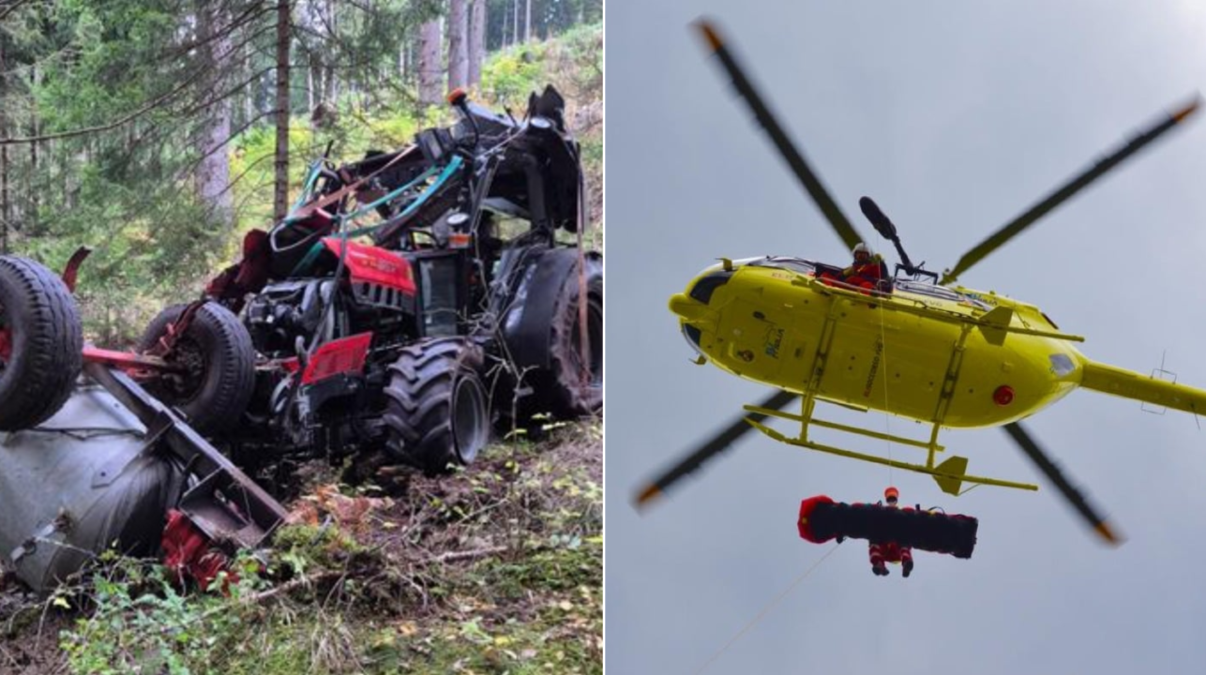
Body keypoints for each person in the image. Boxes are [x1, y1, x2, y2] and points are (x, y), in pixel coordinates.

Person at [869, 486, 914, 578]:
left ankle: (905, 563)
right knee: (875, 540)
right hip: (888, 549)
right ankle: (879, 564)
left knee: (903, 540)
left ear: (896, 500)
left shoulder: (900, 513)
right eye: (889, 499)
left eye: (893, 499)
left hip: (895, 549)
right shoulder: (883, 512)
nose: (891, 501)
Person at [818, 242, 886, 294]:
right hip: (846, 287)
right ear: (855, 255)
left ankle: (866, 298)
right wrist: (843, 274)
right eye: (859, 253)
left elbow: (880, 276)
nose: (861, 256)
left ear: (868, 256)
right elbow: (838, 277)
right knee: (825, 275)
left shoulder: (872, 267)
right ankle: (828, 291)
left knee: (867, 285)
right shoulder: (852, 268)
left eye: (863, 254)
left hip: (858, 290)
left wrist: (881, 263)